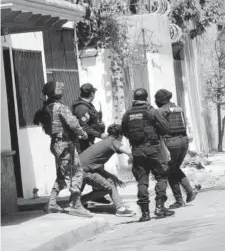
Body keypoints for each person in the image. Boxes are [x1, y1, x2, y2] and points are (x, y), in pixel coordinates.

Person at [33, 81, 92, 217]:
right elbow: (73, 123)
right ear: (55, 92)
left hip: (56, 144)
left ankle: (52, 203)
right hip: (66, 145)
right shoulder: (60, 107)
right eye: (60, 88)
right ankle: (76, 205)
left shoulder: (47, 108)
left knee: (62, 174)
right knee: (76, 173)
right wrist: (83, 133)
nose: (63, 89)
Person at [121, 88, 174, 222]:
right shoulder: (151, 111)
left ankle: (145, 213)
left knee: (142, 180)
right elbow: (165, 128)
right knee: (162, 175)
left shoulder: (127, 114)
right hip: (153, 149)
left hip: (137, 150)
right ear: (146, 98)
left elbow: (124, 131)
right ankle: (160, 207)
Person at [79, 124, 136, 217]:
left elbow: (96, 167)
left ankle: (79, 201)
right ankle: (120, 209)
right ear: (120, 135)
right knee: (109, 185)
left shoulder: (106, 141)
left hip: (80, 169)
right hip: (85, 171)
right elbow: (129, 152)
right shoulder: (113, 141)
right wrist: (132, 158)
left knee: (110, 181)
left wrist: (113, 176)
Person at [154, 89, 198, 209]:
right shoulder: (177, 108)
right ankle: (182, 198)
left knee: (170, 170)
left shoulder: (161, 111)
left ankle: (188, 192)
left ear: (160, 100)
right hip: (184, 141)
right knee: (174, 169)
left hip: (171, 142)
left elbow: (159, 130)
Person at [72, 83, 105, 152]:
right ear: (92, 94)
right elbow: (84, 127)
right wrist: (100, 135)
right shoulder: (82, 108)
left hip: (88, 141)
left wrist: (100, 124)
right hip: (83, 144)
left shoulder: (88, 105)